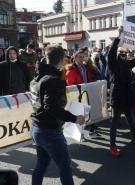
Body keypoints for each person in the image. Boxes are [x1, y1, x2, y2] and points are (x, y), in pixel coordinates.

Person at [29, 45, 85, 185]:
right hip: (49, 130)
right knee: (65, 166)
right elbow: (51, 107)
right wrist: (74, 118)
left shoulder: (38, 76)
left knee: (42, 164)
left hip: (37, 127)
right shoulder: (53, 79)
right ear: (62, 59)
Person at [108, 26, 135, 158]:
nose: (124, 55)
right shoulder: (113, 63)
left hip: (128, 99)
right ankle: (112, 146)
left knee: (133, 125)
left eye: (125, 53)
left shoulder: (127, 64)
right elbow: (110, 54)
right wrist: (118, 36)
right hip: (117, 99)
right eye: (121, 53)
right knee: (114, 124)